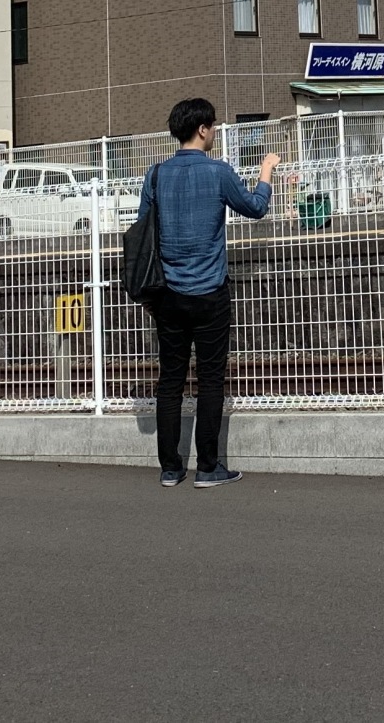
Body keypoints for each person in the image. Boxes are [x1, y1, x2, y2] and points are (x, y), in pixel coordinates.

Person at [141, 98, 278, 486]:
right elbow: (254, 207)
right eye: (213, 127)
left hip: (168, 293)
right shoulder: (219, 172)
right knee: (211, 379)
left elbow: (142, 234)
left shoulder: (155, 176)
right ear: (202, 129)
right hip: (211, 291)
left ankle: (170, 468)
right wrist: (266, 171)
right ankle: (208, 467)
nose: (214, 132)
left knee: (171, 379)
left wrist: (151, 297)